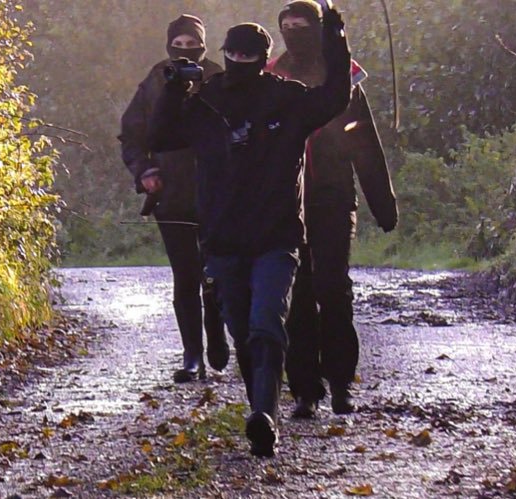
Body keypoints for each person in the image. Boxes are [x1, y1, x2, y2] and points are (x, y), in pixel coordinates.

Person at [149, 7, 352, 458]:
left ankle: (264, 416)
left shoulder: (287, 99)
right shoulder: (207, 103)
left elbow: (337, 95)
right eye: (234, 54)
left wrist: (335, 38)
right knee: (244, 332)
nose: (239, 60)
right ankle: (261, 407)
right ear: (226, 54)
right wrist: (174, 89)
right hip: (223, 241)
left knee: (266, 325)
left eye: (247, 54)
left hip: (277, 239)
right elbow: (160, 137)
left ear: (263, 57)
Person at [267, 1, 399, 419]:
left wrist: (383, 203)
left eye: (302, 25)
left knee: (333, 288)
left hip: (333, 197)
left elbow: (365, 144)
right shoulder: (270, 77)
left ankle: (341, 382)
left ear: (318, 28)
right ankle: (305, 389)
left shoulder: (344, 81)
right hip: (286, 202)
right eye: (287, 25)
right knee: (298, 295)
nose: (293, 31)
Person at [118, 15, 228, 383]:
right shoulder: (156, 79)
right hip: (171, 194)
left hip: (217, 193)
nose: (185, 51)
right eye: (178, 45)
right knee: (185, 275)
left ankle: (216, 333)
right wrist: (145, 170)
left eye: (192, 45)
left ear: (203, 45)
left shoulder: (219, 78)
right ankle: (192, 354)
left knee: (216, 272)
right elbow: (131, 134)